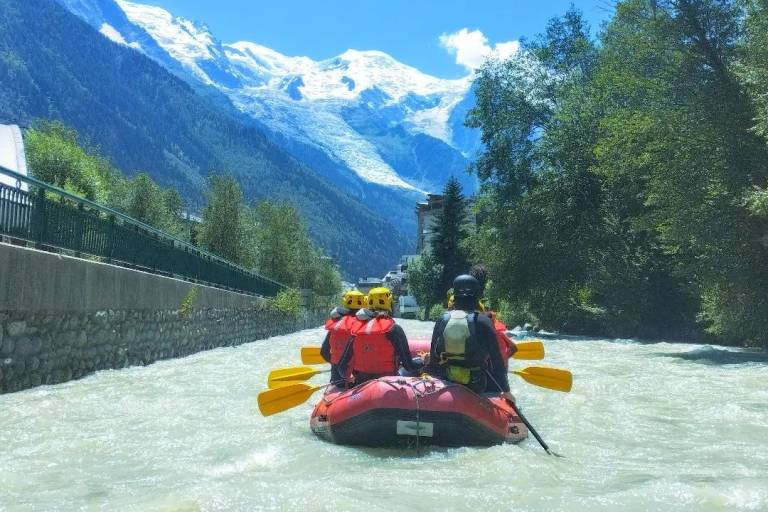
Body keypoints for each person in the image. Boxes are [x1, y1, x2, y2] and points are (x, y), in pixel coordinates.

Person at [428, 274, 514, 402]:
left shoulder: (442, 319)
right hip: (475, 384)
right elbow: (496, 359)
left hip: (447, 381)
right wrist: (506, 391)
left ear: (454, 295)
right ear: (476, 296)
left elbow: (434, 357)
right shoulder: (483, 321)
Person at [337, 287, 422, 385]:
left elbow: (341, 368)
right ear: (389, 304)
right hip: (388, 384)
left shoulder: (356, 329)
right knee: (413, 368)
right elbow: (409, 366)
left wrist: (350, 378)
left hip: (361, 385)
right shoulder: (394, 329)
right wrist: (423, 361)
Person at [320, 290, 366, 384]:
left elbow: (324, 352)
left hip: (337, 378)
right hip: (358, 381)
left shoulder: (336, 324)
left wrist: (335, 364)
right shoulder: (367, 325)